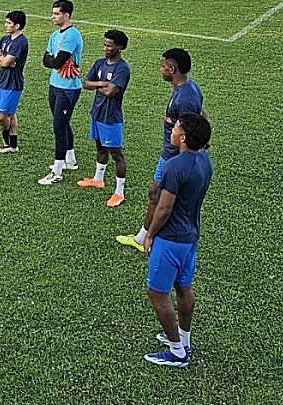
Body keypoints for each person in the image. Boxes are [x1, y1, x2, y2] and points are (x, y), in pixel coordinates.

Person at [141, 111, 212, 368]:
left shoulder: (174, 167)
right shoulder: (205, 161)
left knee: (157, 292)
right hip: (191, 236)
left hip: (170, 239)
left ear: (182, 137)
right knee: (183, 287)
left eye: (176, 128)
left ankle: (177, 352)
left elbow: (164, 208)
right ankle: (184, 338)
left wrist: (149, 235)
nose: (171, 130)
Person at [118, 48, 204, 252]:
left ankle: (146, 238)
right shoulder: (188, 88)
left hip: (173, 156)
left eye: (163, 65)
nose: (161, 69)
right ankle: (144, 235)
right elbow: (200, 115)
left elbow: (190, 129)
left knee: (159, 195)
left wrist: (184, 159)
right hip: (171, 154)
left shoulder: (184, 97)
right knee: (156, 192)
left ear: (172, 68)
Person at [78, 30, 131, 207]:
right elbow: (85, 83)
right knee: (100, 147)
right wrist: (101, 83)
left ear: (120, 47)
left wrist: (98, 86)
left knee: (116, 154)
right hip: (97, 113)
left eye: (110, 45)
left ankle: (119, 192)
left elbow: (111, 92)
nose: (106, 48)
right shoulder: (100, 63)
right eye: (105, 44)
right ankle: (98, 180)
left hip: (111, 117)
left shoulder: (122, 68)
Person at [38, 0, 84, 185]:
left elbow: (55, 62)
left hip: (68, 88)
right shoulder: (54, 35)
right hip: (55, 85)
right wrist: (54, 61)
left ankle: (57, 171)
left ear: (66, 15)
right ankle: (70, 160)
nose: (53, 16)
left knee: (58, 126)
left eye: (56, 14)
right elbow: (46, 60)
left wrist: (54, 61)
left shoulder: (72, 36)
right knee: (62, 123)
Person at [0, 11, 28, 154]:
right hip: (2, 81)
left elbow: (6, 62)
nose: (5, 25)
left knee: (2, 116)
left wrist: (3, 60)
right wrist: (3, 60)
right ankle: (13, 145)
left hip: (13, 83)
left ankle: (7, 143)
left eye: (9, 23)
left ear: (17, 25)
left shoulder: (21, 42)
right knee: (11, 114)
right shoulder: (5, 39)